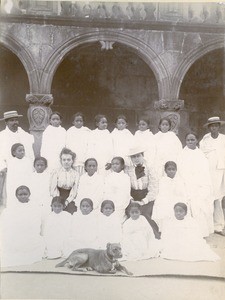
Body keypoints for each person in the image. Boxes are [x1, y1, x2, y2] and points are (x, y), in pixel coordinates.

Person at [177, 132, 214, 237]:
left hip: (199, 184)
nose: (190, 142)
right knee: (187, 203)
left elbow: (205, 171)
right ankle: (187, 232)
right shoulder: (182, 154)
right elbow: (180, 170)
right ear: (185, 141)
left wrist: (201, 185)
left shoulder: (200, 154)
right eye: (188, 140)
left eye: (192, 140)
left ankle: (200, 232)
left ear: (197, 140)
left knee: (200, 204)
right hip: (186, 183)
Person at [0, 186, 45, 267]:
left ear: (29, 194)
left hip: (30, 234)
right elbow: (8, 224)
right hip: (17, 234)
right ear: (16, 195)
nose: (23, 196)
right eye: (20, 195)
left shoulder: (35, 207)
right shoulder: (11, 208)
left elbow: (38, 222)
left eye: (25, 194)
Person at [125, 146, 159, 238]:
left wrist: (144, 201)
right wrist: (131, 199)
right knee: (131, 213)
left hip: (146, 197)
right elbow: (125, 187)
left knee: (146, 214)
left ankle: (153, 238)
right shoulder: (127, 169)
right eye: (133, 157)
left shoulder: (150, 167)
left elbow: (154, 187)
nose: (136, 159)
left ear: (142, 156)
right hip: (133, 197)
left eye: (138, 156)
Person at [200, 116, 225, 236]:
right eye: (211, 126)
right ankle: (207, 225)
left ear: (219, 127)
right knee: (207, 198)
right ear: (209, 128)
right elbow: (201, 153)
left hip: (219, 172)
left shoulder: (223, 139)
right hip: (207, 172)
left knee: (218, 199)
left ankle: (218, 226)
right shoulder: (205, 139)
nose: (214, 128)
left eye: (216, 126)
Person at [152, 161, 188, 231]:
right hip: (166, 200)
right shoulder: (162, 180)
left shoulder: (180, 180)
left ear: (176, 170)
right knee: (165, 210)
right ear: (165, 171)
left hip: (178, 199)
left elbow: (183, 193)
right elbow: (161, 193)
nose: (171, 171)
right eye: (169, 169)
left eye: (173, 169)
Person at [50, 148, 79, 215]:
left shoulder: (76, 174)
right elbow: (53, 188)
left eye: (69, 160)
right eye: (64, 160)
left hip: (70, 197)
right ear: (61, 161)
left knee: (70, 213)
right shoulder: (56, 172)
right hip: (58, 196)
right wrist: (58, 200)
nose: (66, 162)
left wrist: (67, 201)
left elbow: (74, 190)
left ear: (72, 161)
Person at [103, 157, 131, 223]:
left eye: (117, 164)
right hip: (110, 202)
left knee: (118, 220)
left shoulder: (125, 177)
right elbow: (106, 190)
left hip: (120, 204)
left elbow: (126, 193)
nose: (114, 166)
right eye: (112, 164)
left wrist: (119, 204)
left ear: (122, 166)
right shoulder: (108, 177)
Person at [30, 157, 52, 228]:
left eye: (42, 165)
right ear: (34, 166)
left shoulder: (49, 176)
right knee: (34, 221)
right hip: (34, 202)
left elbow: (51, 190)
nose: (39, 167)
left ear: (45, 166)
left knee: (46, 221)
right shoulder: (31, 176)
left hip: (46, 202)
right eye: (37, 165)